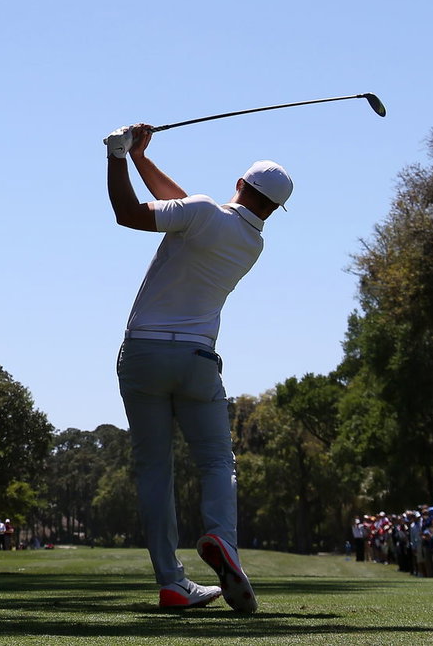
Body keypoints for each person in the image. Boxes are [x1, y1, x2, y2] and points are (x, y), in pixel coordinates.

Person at [105, 122, 288, 614]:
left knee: (154, 470)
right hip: (196, 360)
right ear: (273, 207)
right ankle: (221, 540)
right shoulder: (249, 242)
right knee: (215, 462)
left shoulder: (204, 213)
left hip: (143, 354)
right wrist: (142, 158)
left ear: (240, 184)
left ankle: (171, 581)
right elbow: (185, 205)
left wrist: (117, 155)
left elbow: (129, 214)